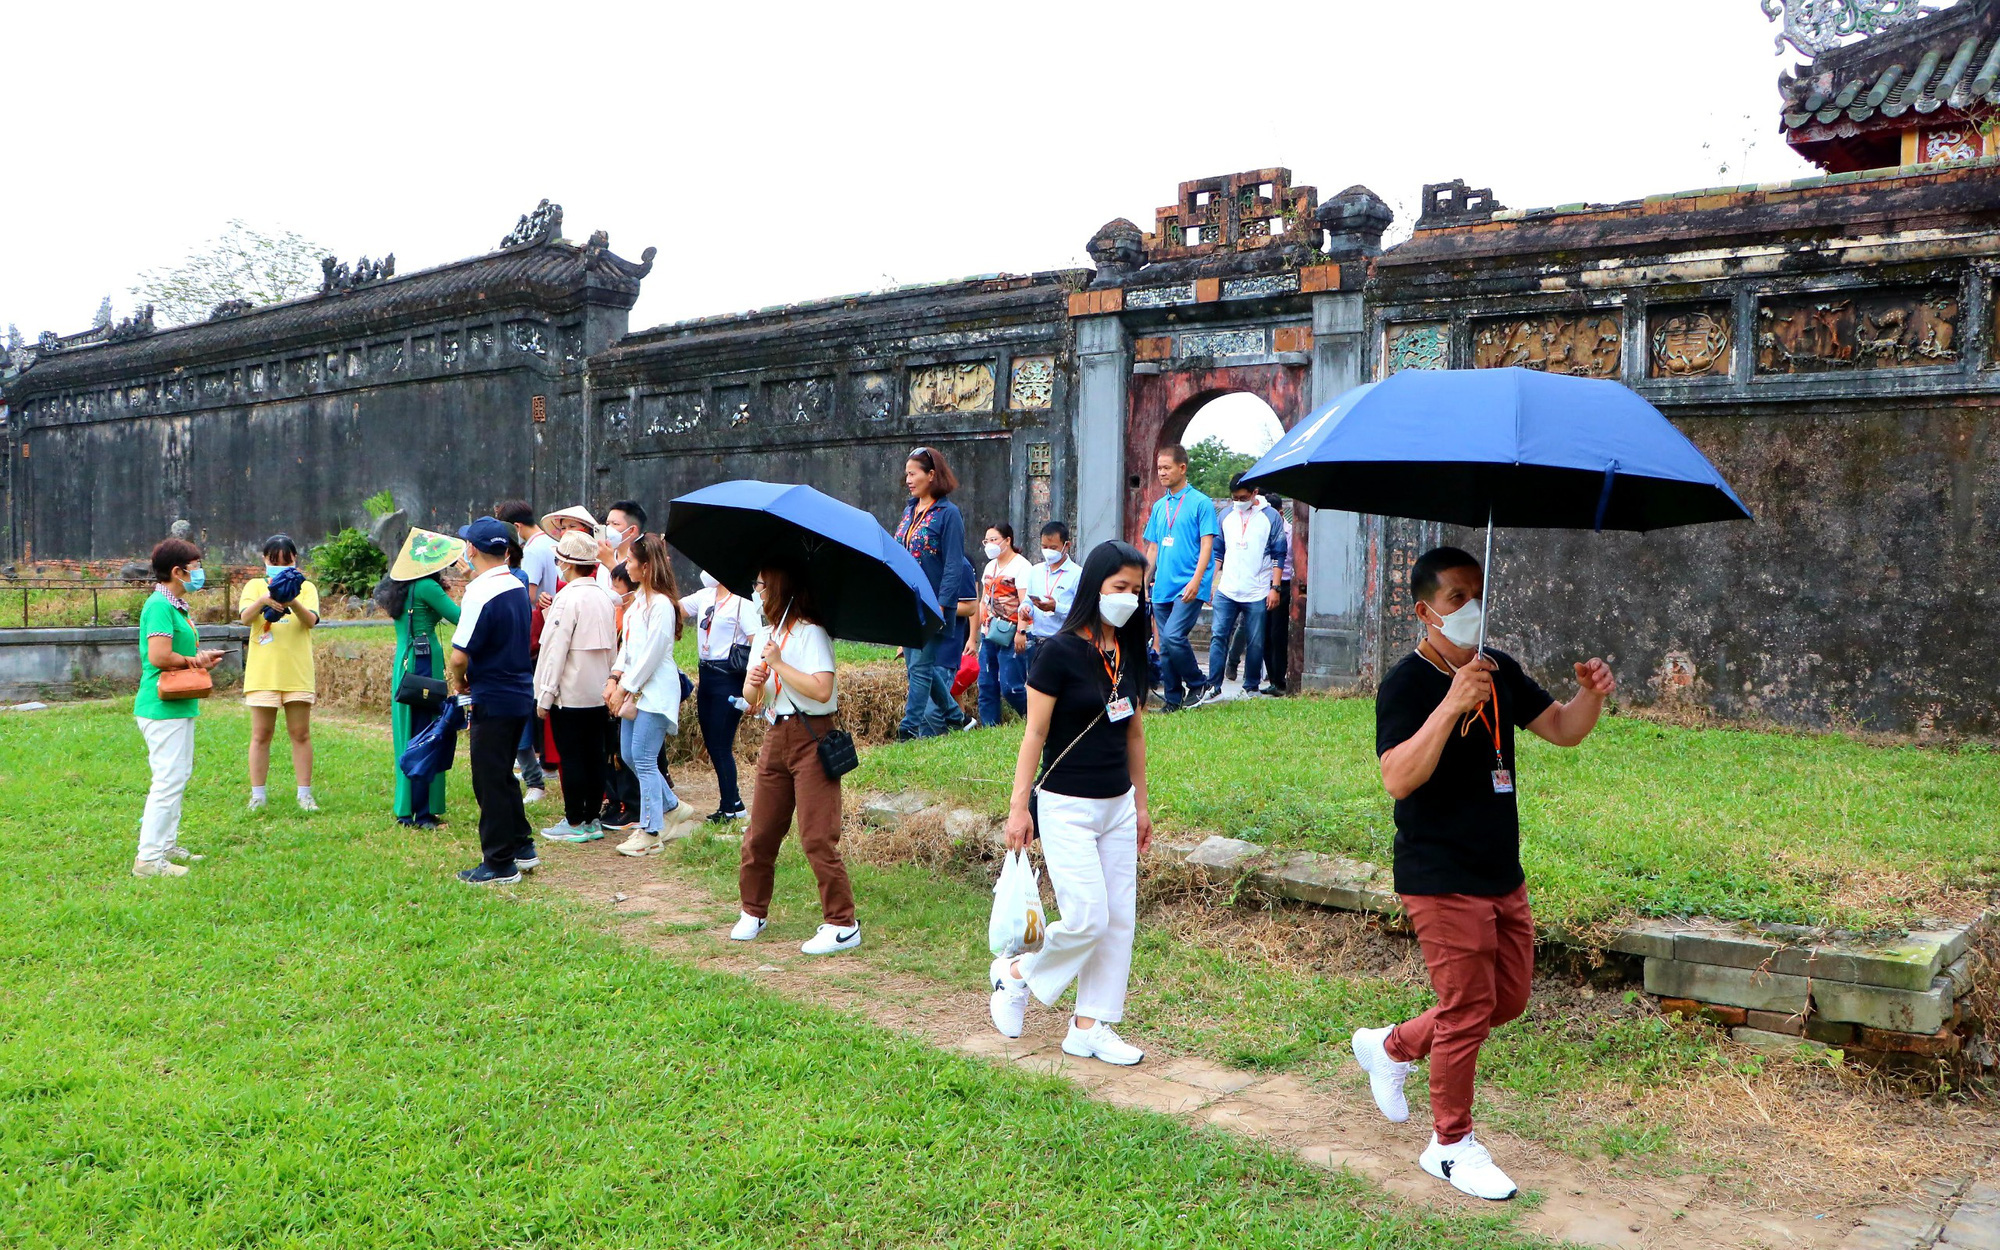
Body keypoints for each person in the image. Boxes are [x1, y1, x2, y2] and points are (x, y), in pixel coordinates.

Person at [1351, 546, 1616, 1202]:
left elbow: (1560, 728)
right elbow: (1397, 777)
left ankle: (1389, 1047)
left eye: (1477, 595)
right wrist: (1449, 705)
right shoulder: (1406, 685)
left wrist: (1590, 694)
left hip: (1501, 869)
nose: (1470, 609)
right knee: (1468, 1007)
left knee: (1507, 1000)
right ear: (1423, 611)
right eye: (1455, 599)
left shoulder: (1498, 670)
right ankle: (1449, 1146)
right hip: (1438, 873)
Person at [987, 540, 1153, 1065]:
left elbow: (1135, 735)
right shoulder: (1056, 651)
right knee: (1087, 919)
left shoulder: (1128, 652)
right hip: (1066, 805)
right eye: (1119, 588)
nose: (1129, 597)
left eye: (1136, 589)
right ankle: (1014, 974)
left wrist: (1142, 805)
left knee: (1119, 919)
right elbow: (1034, 735)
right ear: (1095, 588)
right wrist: (1019, 809)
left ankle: (1090, 1025)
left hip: (1118, 805)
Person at [731, 561, 858, 955]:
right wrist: (754, 684)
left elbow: (822, 691)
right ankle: (753, 910)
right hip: (775, 735)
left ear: (781, 589)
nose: (757, 591)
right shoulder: (766, 635)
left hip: (811, 738)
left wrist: (780, 664)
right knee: (761, 833)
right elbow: (754, 701)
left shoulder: (810, 633)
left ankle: (843, 923)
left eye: (763, 585)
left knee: (817, 836)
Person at [446, 516, 539, 886]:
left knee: (488, 778)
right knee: (502, 775)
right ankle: (522, 847)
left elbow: (458, 655)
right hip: (518, 691)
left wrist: (460, 683)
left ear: (472, 550)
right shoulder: (515, 583)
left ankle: (499, 863)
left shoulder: (480, 591)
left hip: (492, 695)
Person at [132, 538, 225, 878]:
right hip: (160, 706)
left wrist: (198, 660)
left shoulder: (176, 605)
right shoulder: (159, 605)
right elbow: (158, 656)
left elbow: (175, 652)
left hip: (179, 703)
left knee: (179, 775)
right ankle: (148, 860)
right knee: (168, 779)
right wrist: (192, 660)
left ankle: (166, 844)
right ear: (177, 571)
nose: (199, 573)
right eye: (196, 566)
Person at [606, 534, 700, 855]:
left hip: (655, 690)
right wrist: (615, 676)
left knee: (644, 758)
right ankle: (672, 806)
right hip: (637, 688)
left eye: (631, 561)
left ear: (645, 567)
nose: (626, 565)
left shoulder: (660, 605)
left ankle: (651, 831)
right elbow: (629, 649)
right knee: (631, 755)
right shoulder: (637, 604)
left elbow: (652, 654)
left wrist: (625, 688)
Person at [534, 531, 620, 842]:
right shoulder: (604, 597)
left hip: (569, 693)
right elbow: (612, 647)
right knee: (594, 755)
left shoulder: (566, 597)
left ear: (567, 564)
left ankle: (573, 820)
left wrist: (544, 696)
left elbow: (555, 651)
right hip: (598, 691)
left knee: (571, 757)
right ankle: (592, 819)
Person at [236, 533, 321, 812]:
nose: (280, 566)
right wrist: (265, 599)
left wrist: (292, 599)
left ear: (295, 560)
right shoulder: (254, 585)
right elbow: (245, 618)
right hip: (263, 674)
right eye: (274, 561)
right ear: (264, 560)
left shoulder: (306, 588)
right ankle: (258, 795)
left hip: (296, 671)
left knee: (300, 733)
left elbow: (310, 622)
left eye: (286, 562)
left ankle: (305, 794)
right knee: (261, 734)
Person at [386, 528, 462, 828]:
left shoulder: (400, 588)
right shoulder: (428, 587)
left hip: (403, 665)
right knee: (428, 733)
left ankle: (406, 808)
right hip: (424, 664)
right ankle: (424, 812)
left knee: (407, 734)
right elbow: (460, 617)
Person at [892, 446, 967, 739]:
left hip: (933, 603)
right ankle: (956, 717)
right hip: (908, 601)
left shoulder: (949, 514)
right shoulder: (910, 510)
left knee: (921, 668)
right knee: (917, 665)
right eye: (907, 473)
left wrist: (942, 605)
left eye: (913, 473)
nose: (908, 479)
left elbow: (953, 565)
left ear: (931, 474)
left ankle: (908, 731)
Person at [681, 567, 764, 821]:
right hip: (706, 674)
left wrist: (756, 692)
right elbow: (676, 608)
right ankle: (730, 801)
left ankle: (733, 804)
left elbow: (757, 642)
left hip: (729, 676)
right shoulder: (706, 595)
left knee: (721, 743)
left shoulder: (743, 602)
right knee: (711, 741)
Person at [1141, 444, 1218, 712]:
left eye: (1166, 468)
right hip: (1162, 586)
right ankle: (1173, 699)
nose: (1161, 473)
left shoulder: (1201, 502)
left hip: (1188, 585)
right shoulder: (1160, 506)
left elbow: (1207, 545)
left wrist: (1197, 582)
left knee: (1174, 636)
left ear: (1182, 468)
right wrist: (1143, 581)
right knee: (1164, 646)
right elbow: (1152, 547)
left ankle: (1199, 683)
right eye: (1159, 468)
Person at [1198, 474, 1287, 705]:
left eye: (1243, 497)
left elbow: (1279, 554)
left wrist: (1274, 588)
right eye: (1235, 498)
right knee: (1218, 636)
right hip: (1227, 589)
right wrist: (1209, 584)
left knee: (1256, 641)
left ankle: (1251, 687)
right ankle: (1213, 685)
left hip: (1257, 590)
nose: (1238, 501)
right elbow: (1218, 553)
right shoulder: (1226, 515)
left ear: (1254, 493)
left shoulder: (1270, 518)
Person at [969, 523, 1034, 727]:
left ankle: (1034, 718)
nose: (990, 545)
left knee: (1011, 686)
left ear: (1008, 540)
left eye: (994, 540)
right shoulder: (990, 566)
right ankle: (990, 727)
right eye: (986, 541)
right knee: (986, 683)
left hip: (1013, 633)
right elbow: (984, 599)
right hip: (989, 632)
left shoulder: (1022, 567)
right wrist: (977, 631)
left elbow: (1026, 603)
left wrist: (1021, 632)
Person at [1024, 521, 1081, 677]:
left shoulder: (1077, 574)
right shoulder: (1035, 571)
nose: (1048, 552)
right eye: (1044, 547)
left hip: (1065, 642)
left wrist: (1056, 607)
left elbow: (1081, 613)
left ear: (1066, 545)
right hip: (1037, 642)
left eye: (1053, 548)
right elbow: (1026, 601)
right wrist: (1025, 610)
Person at [595, 500, 646, 591]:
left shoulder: (644, 561)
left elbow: (635, 593)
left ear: (632, 530)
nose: (609, 529)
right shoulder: (603, 560)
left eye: (615, 524)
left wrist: (610, 563)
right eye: (607, 524)